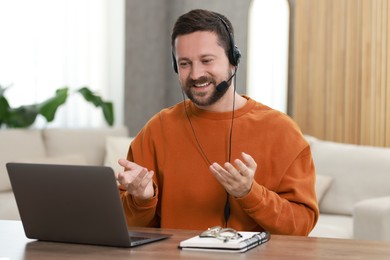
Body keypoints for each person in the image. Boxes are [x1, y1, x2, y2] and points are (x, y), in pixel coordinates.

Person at [116, 9, 319, 236]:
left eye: (206, 60)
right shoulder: (157, 129)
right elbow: (123, 224)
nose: (195, 74)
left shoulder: (282, 131)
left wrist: (250, 193)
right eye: (184, 63)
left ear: (233, 61)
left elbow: (301, 226)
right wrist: (141, 200)